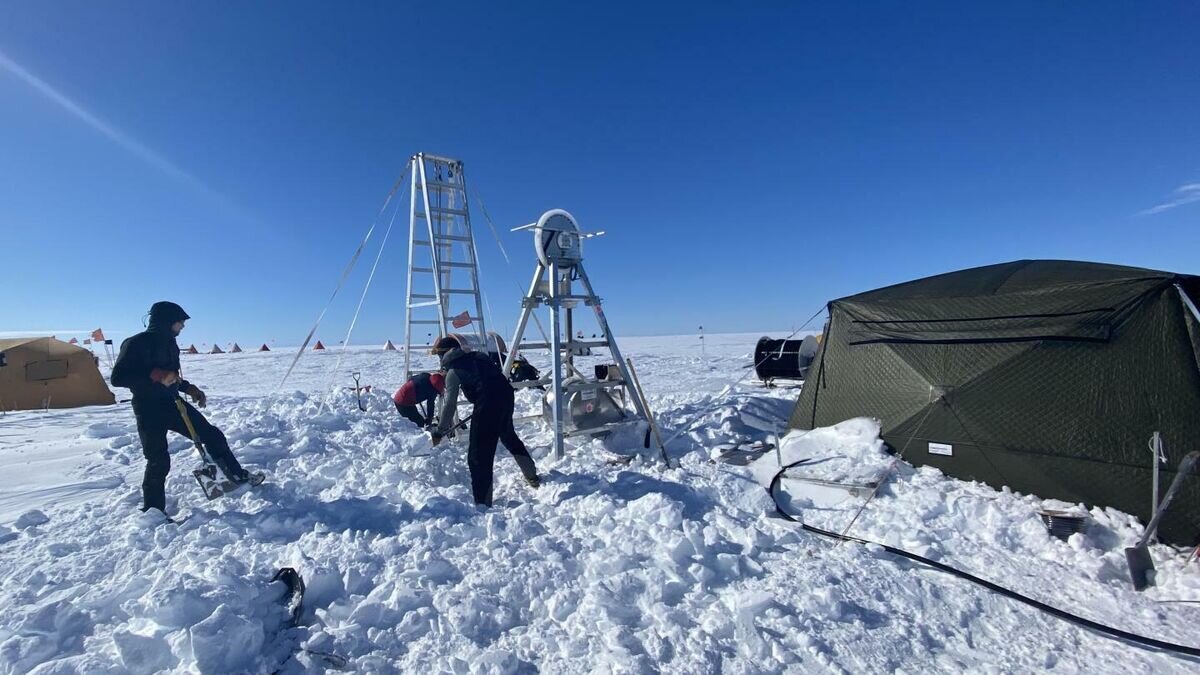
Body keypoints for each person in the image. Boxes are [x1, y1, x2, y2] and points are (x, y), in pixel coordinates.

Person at [111, 301, 259, 516]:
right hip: (147, 408)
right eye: (179, 322)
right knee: (158, 459)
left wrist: (188, 388)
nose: (182, 327)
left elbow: (171, 377)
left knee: (212, 435)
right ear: (166, 321)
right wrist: (154, 375)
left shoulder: (170, 344)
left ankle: (237, 476)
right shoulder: (135, 343)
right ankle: (153, 511)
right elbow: (118, 378)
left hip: (173, 404)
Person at [431, 336, 539, 506]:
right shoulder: (479, 357)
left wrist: (439, 430)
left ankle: (482, 502)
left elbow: (450, 403)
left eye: (438, 355)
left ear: (444, 355)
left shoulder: (453, 372)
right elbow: (491, 381)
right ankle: (532, 476)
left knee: (478, 455)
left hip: (488, 405)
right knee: (508, 436)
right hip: (506, 397)